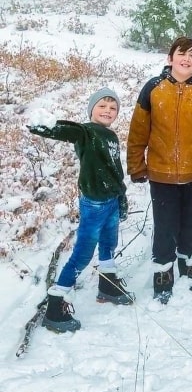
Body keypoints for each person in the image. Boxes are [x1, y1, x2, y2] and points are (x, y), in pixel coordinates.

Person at [127, 37, 192, 304]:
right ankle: (163, 273)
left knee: (190, 225)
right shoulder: (153, 89)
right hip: (161, 173)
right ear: (170, 58)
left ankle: (189, 269)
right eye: (182, 53)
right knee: (165, 225)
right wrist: (137, 166)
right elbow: (138, 131)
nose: (187, 59)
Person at [28, 87, 133, 333]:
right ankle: (56, 302)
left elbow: (115, 171)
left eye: (113, 107)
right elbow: (68, 130)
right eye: (102, 105)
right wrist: (45, 125)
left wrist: (122, 196)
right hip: (94, 204)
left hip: (110, 201)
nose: (108, 110)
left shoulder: (111, 136)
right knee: (83, 253)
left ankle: (107, 286)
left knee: (109, 243)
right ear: (92, 109)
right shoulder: (86, 132)